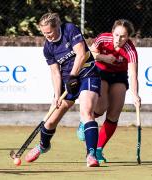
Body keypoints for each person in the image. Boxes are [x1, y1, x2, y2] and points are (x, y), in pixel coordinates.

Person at [24, 12, 101, 167]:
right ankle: (43, 146)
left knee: (86, 111)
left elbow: (80, 54)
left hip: (87, 73)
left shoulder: (69, 29)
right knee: (50, 121)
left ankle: (91, 154)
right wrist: (57, 95)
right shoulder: (47, 48)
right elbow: (55, 72)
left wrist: (73, 76)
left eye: (50, 32)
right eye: (44, 33)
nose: (47, 36)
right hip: (67, 80)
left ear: (57, 27)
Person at [77, 19, 141, 163]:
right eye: (116, 34)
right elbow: (89, 54)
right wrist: (103, 57)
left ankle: (98, 149)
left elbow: (133, 74)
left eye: (123, 36)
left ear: (128, 37)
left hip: (119, 76)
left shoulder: (130, 50)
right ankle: (85, 120)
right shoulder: (103, 38)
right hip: (101, 72)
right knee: (101, 106)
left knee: (114, 113)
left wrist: (135, 95)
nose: (119, 39)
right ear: (112, 32)